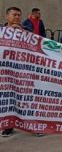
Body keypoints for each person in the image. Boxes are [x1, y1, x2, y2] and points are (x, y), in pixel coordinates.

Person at [2, 7, 24, 137]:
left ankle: (31, 124)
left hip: (20, 71)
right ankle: (8, 125)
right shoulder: (2, 31)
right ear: (6, 17)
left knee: (22, 97)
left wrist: (22, 33)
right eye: (14, 15)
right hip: (4, 71)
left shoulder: (25, 32)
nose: (17, 17)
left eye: (19, 15)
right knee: (6, 98)